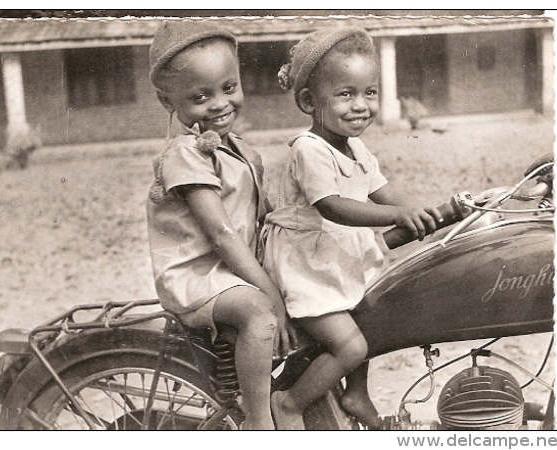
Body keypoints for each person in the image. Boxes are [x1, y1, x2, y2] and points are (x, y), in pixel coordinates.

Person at [263, 27, 443, 430]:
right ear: (310, 101)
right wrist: (397, 218)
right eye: (346, 95)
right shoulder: (310, 150)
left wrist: (423, 211)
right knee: (350, 345)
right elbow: (333, 207)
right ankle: (289, 403)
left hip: (337, 259)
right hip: (308, 268)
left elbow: (382, 190)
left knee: (375, 314)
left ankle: (356, 392)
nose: (360, 106)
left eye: (370, 93)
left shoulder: (355, 146)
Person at [145, 20, 296, 430]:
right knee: (261, 313)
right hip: (198, 274)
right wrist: (269, 291)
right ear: (167, 100)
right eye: (200, 96)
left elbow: (264, 212)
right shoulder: (185, 154)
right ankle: (260, 422)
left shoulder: (239, 150)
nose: (219, 104)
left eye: (229, 88)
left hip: (231, 268)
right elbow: (221, 233)